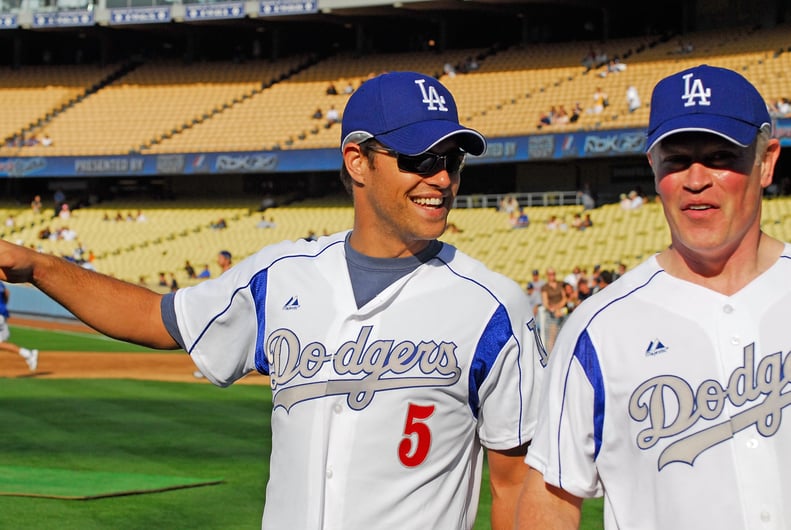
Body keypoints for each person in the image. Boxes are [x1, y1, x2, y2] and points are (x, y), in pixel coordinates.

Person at [0, 71, 543, 530]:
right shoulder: (282, 275)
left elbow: (515, 486)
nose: (442, 178)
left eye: (453, 159)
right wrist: (38, 266)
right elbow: (153, 317)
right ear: (358, 160)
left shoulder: (495, 306)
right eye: (420, 159)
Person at [517, 64, 789, 529]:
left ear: (766, 163)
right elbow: (550, 501)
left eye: (722, 157)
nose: (696, 178)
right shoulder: (599, 328)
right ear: (653, 167)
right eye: (676, 159)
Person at [0, 282, 38, 371]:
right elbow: (7, 292)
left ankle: (28, 354)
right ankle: (28, 354)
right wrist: (4, 305)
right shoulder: (1, 284)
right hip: (2, 312)